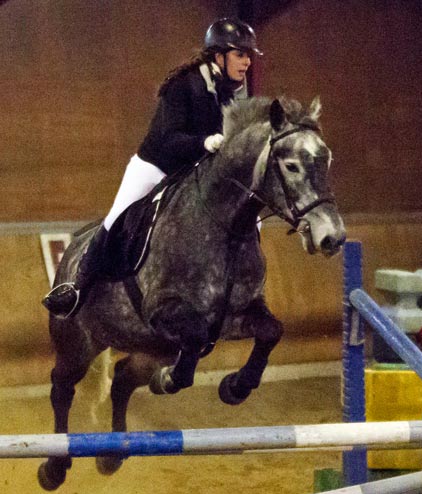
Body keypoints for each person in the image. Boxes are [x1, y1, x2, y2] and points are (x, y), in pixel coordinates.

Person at [43, 17, 262, 318]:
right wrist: (205, 142)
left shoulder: (232, 91)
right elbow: (168, 139)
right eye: (240, 54)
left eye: (249, 55)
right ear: (218, 56)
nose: (247, 61)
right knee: (117, 217)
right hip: (155, 166)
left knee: (248, 217)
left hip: (192, 175)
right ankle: (77, 287)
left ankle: (237, 292)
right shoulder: (184, 85)